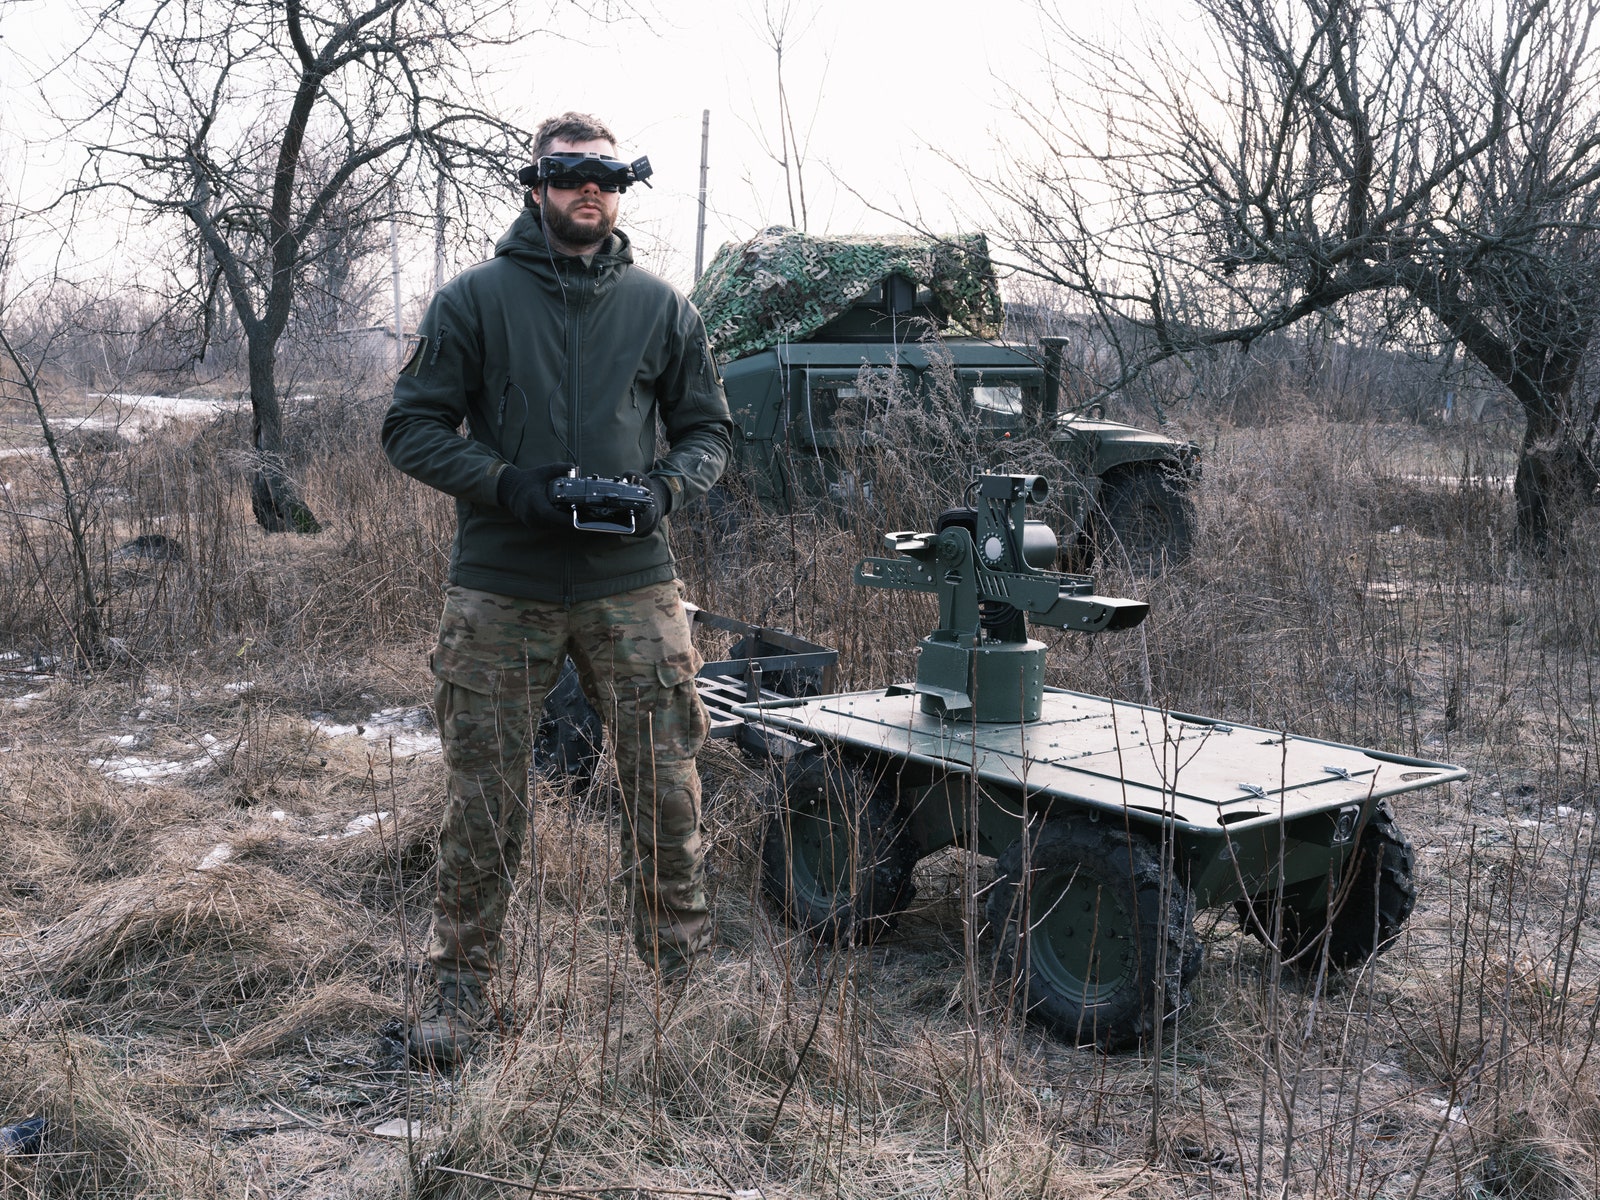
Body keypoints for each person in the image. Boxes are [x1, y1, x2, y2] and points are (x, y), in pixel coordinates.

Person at [381, 111, 732, 1067]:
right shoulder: (475, 301)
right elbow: (410, 428)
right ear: (535, 184)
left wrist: (664, 490)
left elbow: (709, 431)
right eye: (572, 173)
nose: (592, 189)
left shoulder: (663, 308)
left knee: (667, 786)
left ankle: (683, 987)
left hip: (633, 583)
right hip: (504, 580)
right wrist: (507, 485)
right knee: (486, 794)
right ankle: (461, 992)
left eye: (609, 175)